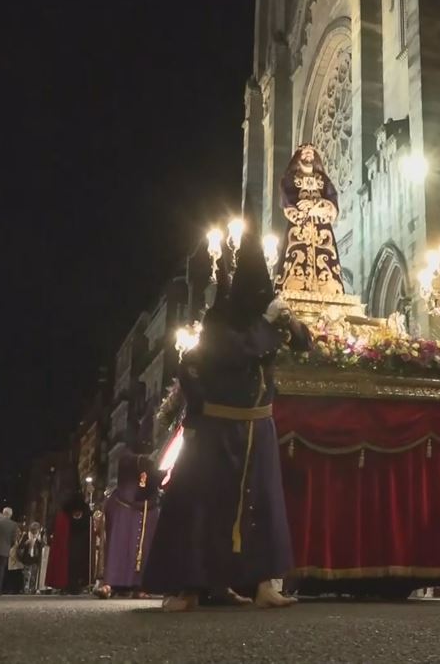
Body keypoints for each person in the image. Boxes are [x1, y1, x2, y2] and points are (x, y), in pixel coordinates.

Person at [145, 234, 312, 612]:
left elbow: (305, 344)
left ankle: (263, 584)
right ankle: (190, 586)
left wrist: (291, 321)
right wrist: (269, 325)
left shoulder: (266, 320)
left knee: (262, 508)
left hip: (260, 426)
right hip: (218, 430)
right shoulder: (221, 318)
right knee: (205, 508)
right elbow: (234, 352)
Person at [275, 143, 345, 294]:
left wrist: (316, 206)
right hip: (300, 227)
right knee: (296, 257)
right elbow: (288, 199)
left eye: (311, 153)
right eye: (305, 152)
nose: (309, 155)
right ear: (299, 156)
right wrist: (301, 211)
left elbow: (332, 199)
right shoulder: (290, 179)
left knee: (326, 259)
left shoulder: (323, 180)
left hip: (321, 227)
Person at [101, 445, 159, 597]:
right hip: (125, 506)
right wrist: (146, 460)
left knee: (146, 548)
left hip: (148, 505)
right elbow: (125, 459)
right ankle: (111, 584)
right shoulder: (126, 456)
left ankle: (140, 586)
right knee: (119, 545)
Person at [47, 493, 91, 594]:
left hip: (67, 544)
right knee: (76, 566)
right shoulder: (85, 512)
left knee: (67, 566)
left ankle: (65, 586)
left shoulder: (64, 513)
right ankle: (75, 586)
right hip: (80, 544)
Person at [18, 522, 45, 594]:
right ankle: (25, 589)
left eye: (36, 531)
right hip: (27, 558)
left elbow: (43, 546)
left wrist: (40, 541)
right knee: (26, 575)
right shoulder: (26, 536)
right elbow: (20, 547)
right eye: (33, 531)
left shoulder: (40, 536)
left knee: (34, 575)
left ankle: (32, 589)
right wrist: (26, 543)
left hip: (36, 559)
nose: (34, 532)